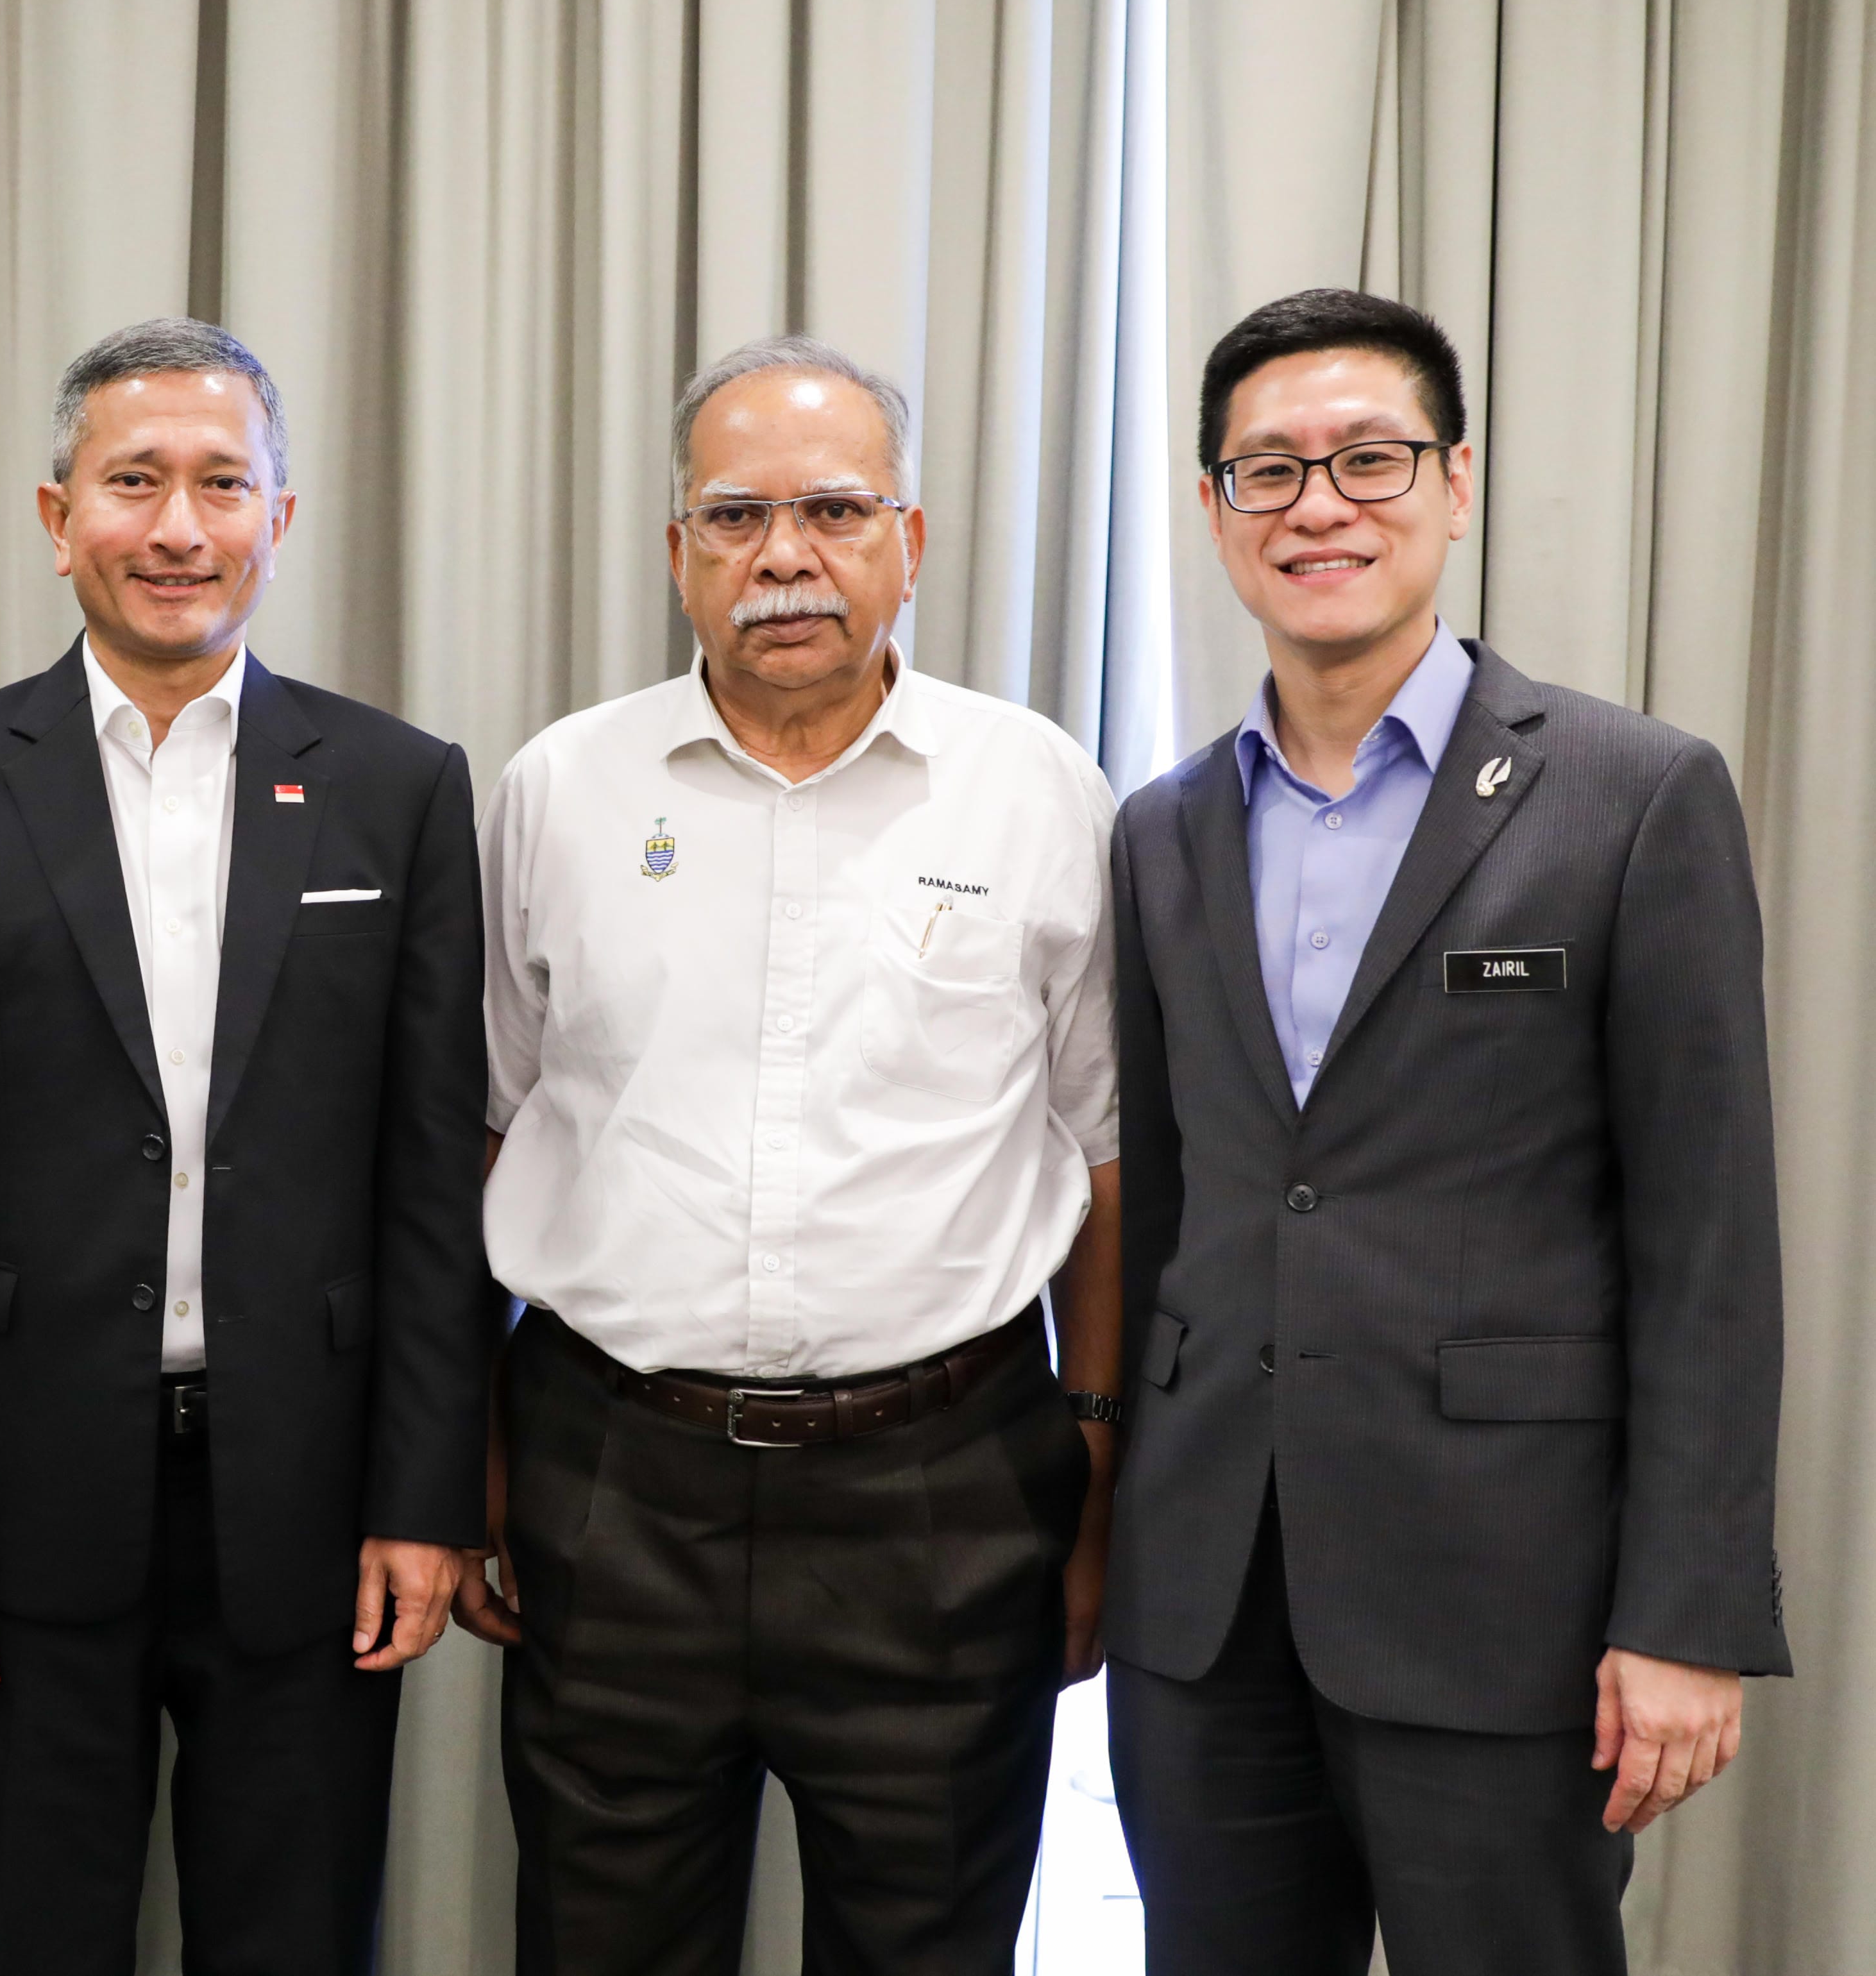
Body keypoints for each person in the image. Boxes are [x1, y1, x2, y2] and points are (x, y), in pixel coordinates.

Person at [1103, 289, 1789, 1973]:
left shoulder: (1629, 799)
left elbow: (1706, 1240)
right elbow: (1180, 1199)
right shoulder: (1161, 829)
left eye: (1366, 459)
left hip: (1505, 1601)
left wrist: (1684, 1615)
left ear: (1455, 483)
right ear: (1211, 512)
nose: (1315, 505)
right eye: (1265, 472)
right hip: (1204, 1606)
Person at [458, 336, 1125, 1975]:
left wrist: (1097, 1463)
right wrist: (466, 1456)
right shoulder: (561, 787)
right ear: (676, 551)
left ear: (910, 538)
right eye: (733, 517)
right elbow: (484, 1128)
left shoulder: (1037, 791)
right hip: (613, 1481)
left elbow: (1107, 1159)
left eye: (832, 510)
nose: (783, 559)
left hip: (943, 1491)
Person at [0, 317, 493, 1973]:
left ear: (281, 515)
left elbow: (430, 1177)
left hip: (309, 1499)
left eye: (221, 483)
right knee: (24, 1934)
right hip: (13, 1490)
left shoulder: (396, 788)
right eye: (134, 482)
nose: (178, 526)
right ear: (57, 517)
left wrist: (425, 1499)